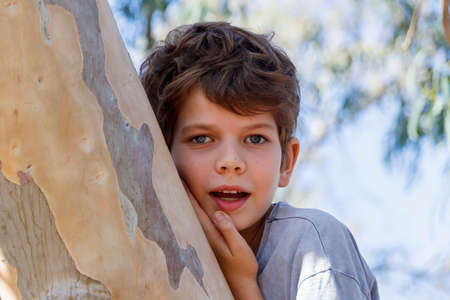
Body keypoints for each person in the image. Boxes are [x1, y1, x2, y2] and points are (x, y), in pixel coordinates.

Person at [140, 22, 379, 300]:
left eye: (255, 139)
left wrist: (243, 286)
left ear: (286, 162)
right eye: (202, 139)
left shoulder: (312, 244)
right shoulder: (150, 250)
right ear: (164, 158)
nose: (230, 162)